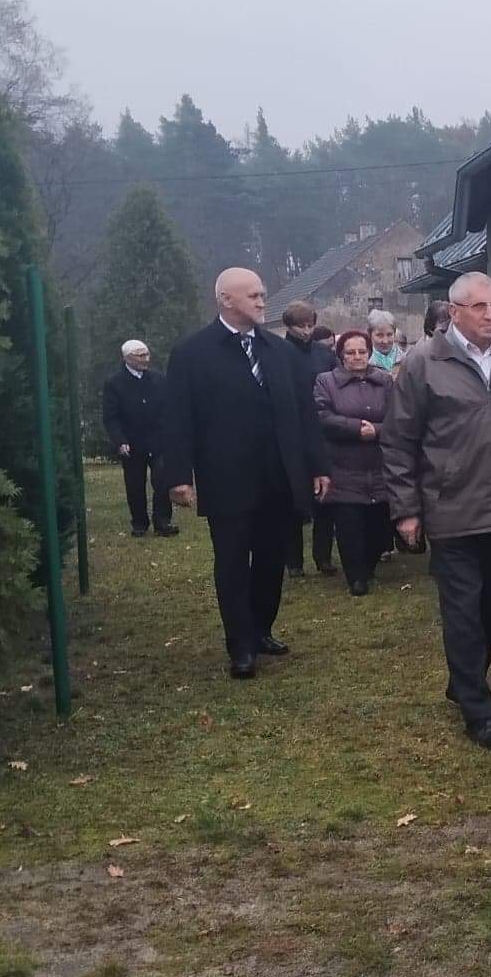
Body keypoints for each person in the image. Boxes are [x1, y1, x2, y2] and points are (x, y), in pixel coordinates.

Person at [381, 271, 491, 749]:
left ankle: (466, 679)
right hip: (451, 508)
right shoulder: (423, 363)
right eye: (480, 307)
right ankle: (479, 710)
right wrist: (406, 509)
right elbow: (398, 441)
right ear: (454, 312)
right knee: (462, 609)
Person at [164, 268, 330, 678]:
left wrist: (317, 465)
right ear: (225, 299)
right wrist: (178, 475)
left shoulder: (280, 351)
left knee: (272, 559)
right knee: (233, 562)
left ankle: (261, 629)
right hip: (227, 478)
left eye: (262, 294)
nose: (261, 301)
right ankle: (240, 645)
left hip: (279, 477)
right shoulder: (192, 354)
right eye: (253, 295)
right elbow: (178, 419)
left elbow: (304, 414)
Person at [313, 329, 395, 595]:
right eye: (350, 352)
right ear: (341, 355)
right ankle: (356, 577)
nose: (357, 356)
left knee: (379, 526)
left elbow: (399, 416)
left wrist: (378, 430)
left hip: (379, 463)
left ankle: (369, 565)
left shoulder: (385, 381)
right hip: (343, 464)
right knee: (349, 527)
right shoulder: (326, 382)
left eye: (362, 351)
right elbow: (321, 415)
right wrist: (355, 428)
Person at [281, 300, 338, 577]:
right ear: (288, 326)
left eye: (310, 325)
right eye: (300, 326)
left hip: (322, 429)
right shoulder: (279, 353)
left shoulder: (324, 354)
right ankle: (293, 560)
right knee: (293, 499)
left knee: (325, 499)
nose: (306, 331)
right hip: (291, 430)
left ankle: (323, 556)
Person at [101, 339, 176, 537]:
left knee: (162, 480)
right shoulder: (114, 383)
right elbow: (111, 417)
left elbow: (169, 408)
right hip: (132, 443)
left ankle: (163, 522)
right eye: (141, 355)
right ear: (127, 358)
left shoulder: (159, 379)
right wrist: (120, 441)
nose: (146, 359)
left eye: (147, 354)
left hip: (159, 440)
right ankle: (139, 523)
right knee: (135, 484)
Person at [368, 309, 404, 373]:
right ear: (370, 334)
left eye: (389, 334)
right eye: (380, 335)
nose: (385, 341)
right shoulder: (365, 363)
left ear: (394, 333)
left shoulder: (407, 360)